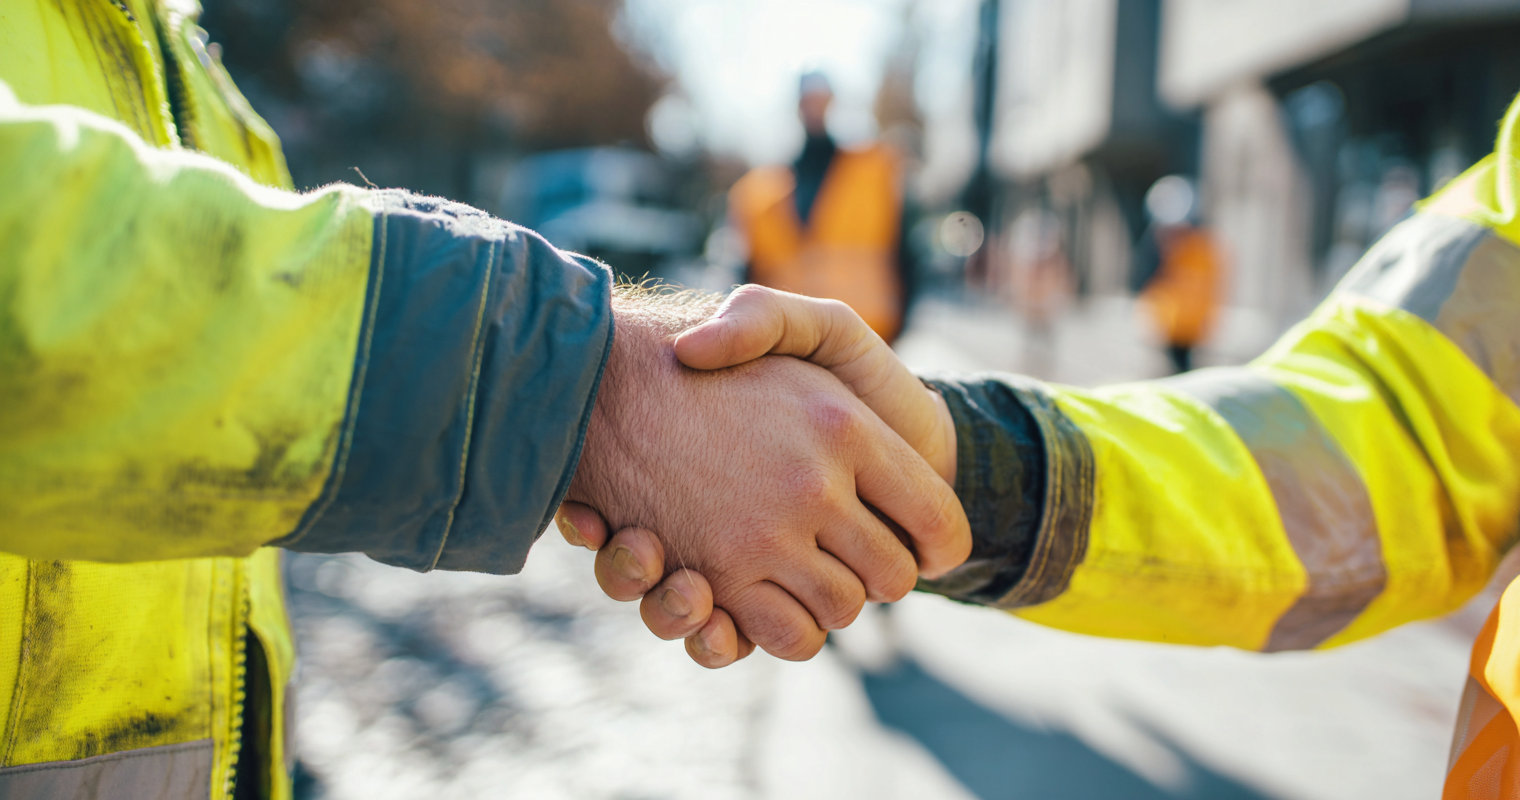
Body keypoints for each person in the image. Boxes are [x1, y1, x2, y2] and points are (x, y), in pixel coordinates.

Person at [0, 5, 971, 798]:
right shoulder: (762, 187)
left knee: (830, 519)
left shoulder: (173, 51)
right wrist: (595, 388)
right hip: (789, 384)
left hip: (851, 370)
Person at [569, 94, 1520, 799]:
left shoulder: (870, 174)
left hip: (832, 369)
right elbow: (1391, 435)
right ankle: (873, 539)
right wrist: (949, 460)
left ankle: (865, 544)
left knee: (837, 538)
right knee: (847, 528)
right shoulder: (765, 186)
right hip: (811, 378)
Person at [727, 71, 907, 342]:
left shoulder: (874, 174)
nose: (816, 108)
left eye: (821, 100)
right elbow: (745, 271)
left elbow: (903, 255)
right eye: (809, 101)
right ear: (798, 107)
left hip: (865, 339)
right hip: (786, 342)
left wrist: (897, 332)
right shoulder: (759, 192)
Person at [1131, 175, 1224, 373]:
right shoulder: (1159, 247)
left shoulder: (1200, 248)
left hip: (1189, 328)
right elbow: (1144, 280)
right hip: (1167, 325)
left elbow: (1209, 286)